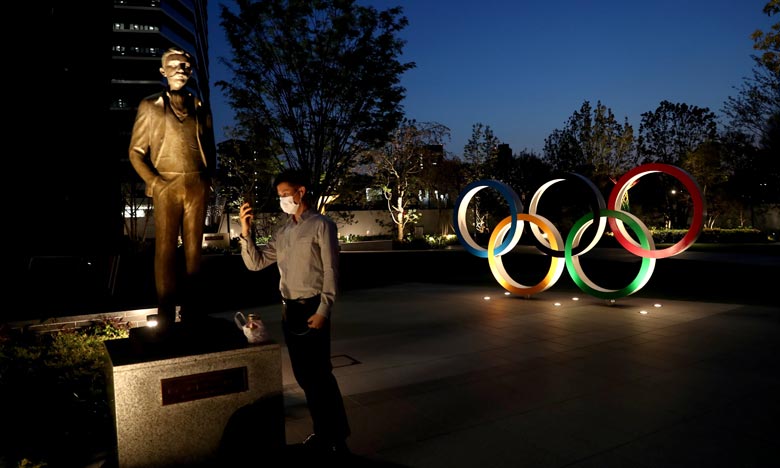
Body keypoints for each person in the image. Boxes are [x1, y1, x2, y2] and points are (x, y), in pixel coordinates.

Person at [238, 170, 351, 458]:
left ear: (301, 191)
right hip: (290, 311)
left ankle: (337, 437)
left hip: (313, 307)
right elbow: (256, 264)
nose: (283, 200)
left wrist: (325, 309)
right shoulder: (283, 231)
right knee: (305, 378)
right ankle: (323, 432)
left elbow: (331, 270)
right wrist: (246, 232)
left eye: (286, 194)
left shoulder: (322, 226)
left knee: (321, 376)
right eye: (279, 196)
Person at [128, 47, 216, 328]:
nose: (181, 69)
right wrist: (154, 182)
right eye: (175, 65)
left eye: (186, 65)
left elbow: (210, 149)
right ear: (163, 71)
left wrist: (208, 179)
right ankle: (165, 310)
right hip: (166, 182)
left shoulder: (200, 107)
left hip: (196, 184)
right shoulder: (149, 105)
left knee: (194, 252)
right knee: (165, 250)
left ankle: (194, 309)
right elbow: (136, 152)